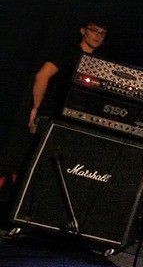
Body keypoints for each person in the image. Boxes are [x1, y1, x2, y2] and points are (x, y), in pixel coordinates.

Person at [0, 21, 107, 208]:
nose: (98, 35)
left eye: (102, 33)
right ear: (83, 31)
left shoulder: (98, 63)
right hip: (49, 112)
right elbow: (42, 75)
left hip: (69, 119)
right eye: (94, 30)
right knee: (21, 158)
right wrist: (36, 107)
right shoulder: (69, 53)